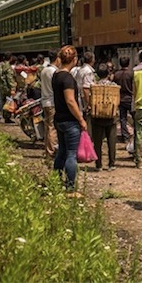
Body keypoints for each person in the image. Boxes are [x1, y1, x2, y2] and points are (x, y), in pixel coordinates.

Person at [52, 45, 88, 195]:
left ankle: (55, 181)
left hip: (59, 118)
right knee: (71, 154)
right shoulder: (67, 78)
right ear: (74, 59)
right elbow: (70, 101)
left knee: (62, 152)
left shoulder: (56, 75)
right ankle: (71, 187)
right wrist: (81, 119)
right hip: (69, 120)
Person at [90, 63, 118, 171]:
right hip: (111, 117)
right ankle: (111, 164)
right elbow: (117, 101)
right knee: (111, 141)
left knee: (97, 142)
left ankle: (98, 164)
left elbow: (91, 101)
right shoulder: (114, 86)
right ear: (108, 73)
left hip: (97, 117)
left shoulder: (94, 86)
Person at [40, 49, 60, 158]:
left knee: (48, 127)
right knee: (52, 127)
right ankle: (51, 151)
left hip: (45, 101)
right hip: (52, 101)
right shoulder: (54, 72)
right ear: (57, 58)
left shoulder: (44, 70)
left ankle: (47, 149)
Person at [114, 56, 135, 143]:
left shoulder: (116, 74)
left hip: (120, 98)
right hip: (130, 98)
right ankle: (135, 135)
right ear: (128, 63)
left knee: (123, 118)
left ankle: (125, 136)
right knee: (134, 117)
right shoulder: (131, 74)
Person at [0, 53, 17, 121]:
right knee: (8, 101)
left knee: (3, 101)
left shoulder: (0, 65)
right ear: (10, 58)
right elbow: (9, 78)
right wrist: (13, 88)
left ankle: (4, 116)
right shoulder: (8, 67)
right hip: (7, 87)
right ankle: (7, 117)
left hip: (1, 86)